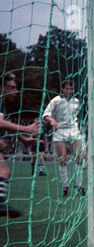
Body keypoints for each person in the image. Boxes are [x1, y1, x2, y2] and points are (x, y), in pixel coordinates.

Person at [0, 73, 39, 218]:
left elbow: (7, 125)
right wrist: (27, 129)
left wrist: (23, 140)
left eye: (15, 87)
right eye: (11, 87)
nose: (15, 91)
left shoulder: (3, 105)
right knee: (3, 171)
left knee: (4, 171)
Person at [43, 79, 86, 197]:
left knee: (80, 157)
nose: (69, 91)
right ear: (62, 89)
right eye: (67, 88)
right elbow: (46, 115)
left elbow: (76, 117)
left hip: (73, 130)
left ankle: (78, 185)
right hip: (59, 131)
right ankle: (65, 186)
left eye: (71, 89)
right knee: (62, 160)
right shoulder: (56, 101)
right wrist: (52, 121)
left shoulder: (76, 102)